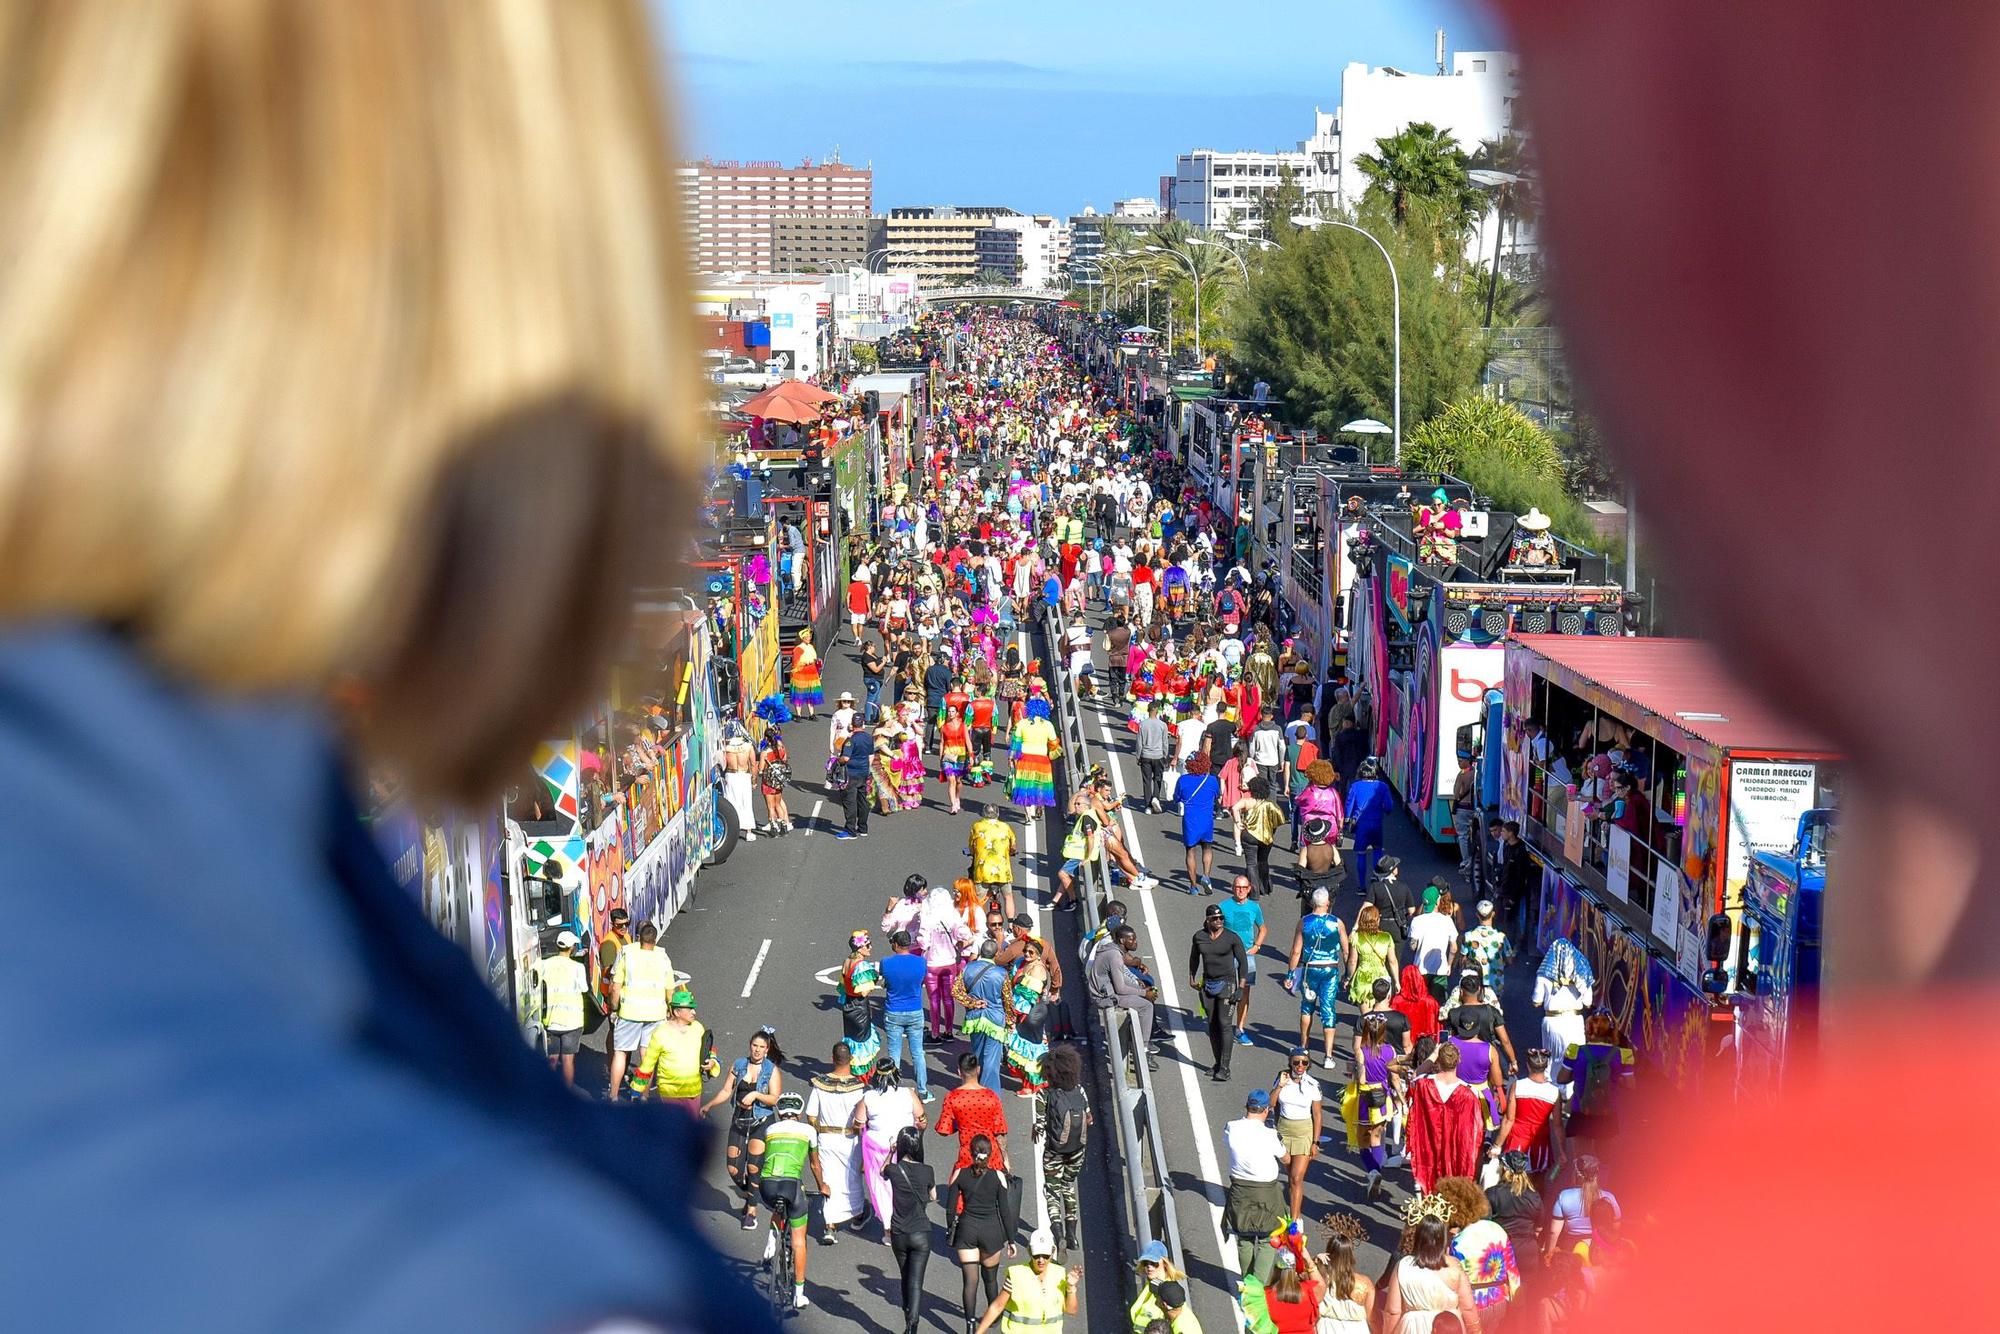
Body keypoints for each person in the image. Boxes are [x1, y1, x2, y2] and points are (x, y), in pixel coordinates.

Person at [702, 1028, 785, 1231]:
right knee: (734, 1169)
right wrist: (709, 1105)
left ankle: (751, 1211)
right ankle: (752, 1193)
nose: (757, 1050)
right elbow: (726, 1090)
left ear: (767, 1049)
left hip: (761, 1121)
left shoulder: (771, 1070)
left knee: (753, 1168)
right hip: (740, 1120)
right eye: (754, 1046)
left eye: (761, 1047)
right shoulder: (739, 1065)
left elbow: (775, 1099)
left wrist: (756, 1095)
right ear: (750, 1046)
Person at [950, 1135, 1023, 1327]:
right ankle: (994, 1317)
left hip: (967, 1229)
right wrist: (1011, 1240)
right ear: (990, 1154)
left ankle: (970, 1323)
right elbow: (1006, 1211)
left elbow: (951, 1209)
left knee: (970, 1281)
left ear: (971, 1153)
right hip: (991, 1231)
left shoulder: (960, 1174)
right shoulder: (998, 1176)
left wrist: (951, 1229)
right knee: (990, 1279)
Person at [1383, 1199, 1484, 1334]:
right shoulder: (1454, 1266)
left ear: (1418, 1236)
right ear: (1442, 1237)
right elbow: (1468, 1308)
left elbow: (1392, 1312)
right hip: (1449, 1327)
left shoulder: (1403, 1266)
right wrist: (1476, 1330)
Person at [1223, 1089, 1291, 1284]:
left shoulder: (1231, 1127)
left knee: (1243, 1237)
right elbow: (1285, 1158)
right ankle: (1258, 1286)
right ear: (1266, 1110)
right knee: (1267, 1237)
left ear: (1247, 1107)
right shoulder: (1271, 1134)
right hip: (1266, 1192)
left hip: (1240, 1190)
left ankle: (1247, 1280)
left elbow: (1228, 1142)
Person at [804, 1041, 868, 1243]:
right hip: (851, 1139)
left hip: (826, 1137)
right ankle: (857, 1215)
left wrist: (818, 1132)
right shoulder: (859, 1089)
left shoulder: (820, 1085)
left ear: (832, 1059)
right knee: (851, 1178)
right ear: (851, 1059)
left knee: (828, 1178)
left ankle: (829, 1226)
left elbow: (811, 1115)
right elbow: (864, 1118)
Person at [1437, 1175, 1519, 1330]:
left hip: (1474, 1305)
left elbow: (1453, 1279)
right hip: (1500, 1299)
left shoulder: (1458, 1242)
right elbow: (1512, 1270)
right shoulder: (1496, 1229)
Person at [856, 1058, 928, 1231]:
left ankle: (888, 1228)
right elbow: (922, 1121)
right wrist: (918, 1138)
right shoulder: (908, 1093)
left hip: (876, 1149)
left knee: (881, 1185)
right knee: (906, 1183)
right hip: (905, 1146)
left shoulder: (868, 1097)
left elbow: (859, 1123)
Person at [1036, 1043, 1091, 1258]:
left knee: (1052, 1190)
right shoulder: (1080, 1090)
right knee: (1068, 1186)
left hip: (1054, 1150)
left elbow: (1040, 1125)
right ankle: (1072, 1236)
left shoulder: (1044, 1095)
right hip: (1077, 1149)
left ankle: (1057, 1231)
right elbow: (1089, 1118)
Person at [605, 921, 673, 1100]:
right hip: (655, 1014)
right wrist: (670, 1009)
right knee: (647, 1057)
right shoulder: (663, 957)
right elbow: (669, 989)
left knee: (620, 1053)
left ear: (639, 938)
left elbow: (615, 986)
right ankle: (644, 1097)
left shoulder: (627, 954)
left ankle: (613, 1096)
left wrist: (614, 1007)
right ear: (655, 940)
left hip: (629, 1012)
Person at [1284, 886, 1348, 1068]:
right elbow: (1346, 950)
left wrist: (1290, 973)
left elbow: (1296, 950)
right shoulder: (1337, 923)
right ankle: (1328, 1056)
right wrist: (1348, 973)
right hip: (1330, 969)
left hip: (1310, 969)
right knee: (1329, 1009)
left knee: (1307, 1006)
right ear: (1328, 903)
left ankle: (1303, 1046)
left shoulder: (1304, 922)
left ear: (1313, 902)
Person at [1408, 1044, 1485, 1195]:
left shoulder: (1422, 1085)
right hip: (1455, 1153)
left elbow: (1414, 1075)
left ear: (1438, 1061)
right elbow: (1475, 1132)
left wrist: (1433, 1055)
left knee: (1429, 1193)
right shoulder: (1470, 1093)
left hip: (1427, 1148)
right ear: (1459, 1060)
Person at [881, 1124, 937, 1334]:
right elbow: (933, 1197)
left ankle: (907, 1314)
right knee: (916, 1280)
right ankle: (912, 1324)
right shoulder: (927, 1170)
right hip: (921, 1232)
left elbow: (881, 1171)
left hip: (899, 1233)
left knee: (906, 1276)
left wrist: (891, 1152)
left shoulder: (894, 1171)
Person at [627, 988, 718, 1115]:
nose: (694, 1012)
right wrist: (636, 1090)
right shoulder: (661, 1033)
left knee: (690, 1130)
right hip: (669, 1091)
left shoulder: (698, 1027)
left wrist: (713, 1061)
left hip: (693, 1090)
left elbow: (709, 1050)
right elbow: (648, 1063)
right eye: (690, 1009)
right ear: (677, 1012)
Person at [974, 1226, 1079, 1334]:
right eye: (1036, 1255)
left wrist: (1071, 1287)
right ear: (1029, 1252)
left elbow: (1071, 1310)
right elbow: (997, 1306)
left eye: (1045, 1256)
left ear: (1052, 1253)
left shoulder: (1059, 1274)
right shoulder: (1016, 1274)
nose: (1041, 1260)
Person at [1189, 902, 1250, 1080]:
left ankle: (1225, 1067)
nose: (1219, 921)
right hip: (1208, 984)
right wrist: (1192, 977)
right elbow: (1194, 958)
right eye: (1215, 918)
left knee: (1224, 1024)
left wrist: (1240, 987)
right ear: (1207, 920)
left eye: (1221, 918)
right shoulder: (1199, 937)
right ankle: (1217, 1063)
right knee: (1212, 1024)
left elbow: (1243, 963)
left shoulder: (1232, 938)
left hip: (1227, 984)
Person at [1088, 923, 1160, 1071]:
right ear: (1122, 941)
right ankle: (1143, 1050)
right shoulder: (1114, 955)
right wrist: (1144, 993)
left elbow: (1121, 976)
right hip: (1105, 997)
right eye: (1131, 939)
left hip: (1108, 991)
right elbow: (1120, 988)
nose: (1135, 942)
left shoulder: (1113, 952)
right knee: (1146, 1006)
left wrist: (1137, 985)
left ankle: (1136, 1042)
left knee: (1142, 996)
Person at [1484, 1152, 1545, 1316]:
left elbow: (1484, 1223)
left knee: (1499, 1300)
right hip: (1528, 1252)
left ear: (1505, 1169)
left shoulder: (1492, 1194)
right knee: (1522, 1301)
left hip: (1502, 1251)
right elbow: (1540, 1227)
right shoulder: (1534, 1196)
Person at [1353, 1011, 1402, 1202]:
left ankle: (1373, 1171)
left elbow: (1362, 1078)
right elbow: (1395, 1078)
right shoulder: (1390, 1051)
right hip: (1384, 1098)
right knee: (1378, 1135)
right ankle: (1376, 1170)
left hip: (1366, 1098)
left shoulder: (1361, 1052)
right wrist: (1402, 1099)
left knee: (1363, 1139)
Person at [1271, 1050, 1324, 1223]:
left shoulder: (1313, 1085)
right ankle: (1292, 1207)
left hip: (1304, 1132)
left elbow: (1317, 1115)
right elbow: (1271, 1104)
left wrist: (1315, 1142)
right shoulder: (1282, 1079)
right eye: (1296, 1062)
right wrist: (1279, 1086)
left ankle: (1295, 1221)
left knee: (1296, 1177)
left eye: (1304, 1063)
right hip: (1284, 1130)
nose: (1300, 1066)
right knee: (1289, 1176)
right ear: (1290, 1062)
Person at [530, 931, 589, 1085]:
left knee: (552, 1059)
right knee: (568, 1061)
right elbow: (584, 989)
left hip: (551, 1019)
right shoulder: (578, 967)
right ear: (571, 948)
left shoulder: (545, 963)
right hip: (572, 1021)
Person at [881, 929, 933, 1102]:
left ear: (896, 944)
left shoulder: (886, 963)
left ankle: (891, 1088)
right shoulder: (920, 963)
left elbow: (885, 980)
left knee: (894, 1052)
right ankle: (923, 1090)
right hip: (915, 1010)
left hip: (893, 1011)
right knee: (918, 1052)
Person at [1218, 875, 1269, 1046]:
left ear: (1249, 889)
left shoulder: (1254, 907)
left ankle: (1239, 1028)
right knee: (1224, 991)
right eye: (1237, 887)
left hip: (1247, 955)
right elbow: (1214, 929)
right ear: (1233, 888)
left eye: (1244, 887)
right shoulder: (1223, 906)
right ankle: (1223, 1025)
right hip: (1227, 954)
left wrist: (1257, 946)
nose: (1240, 890)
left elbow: (1262, 928)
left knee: (1244, 992)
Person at [1545, 1156, 1620, 1269]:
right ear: (1597, 1174)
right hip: (1601, 1247)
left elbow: (1554, 1232)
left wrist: (1550, 1254)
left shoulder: (1564, 1196)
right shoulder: (1609, 1197)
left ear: (1575, 1173)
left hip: (1571, 1247)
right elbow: (1615, 1227)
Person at [1532, 943, 1594, 1078]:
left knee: (1550, 1061)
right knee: (1574, 1060)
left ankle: (1552, 1093)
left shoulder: (1544, 974)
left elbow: (1536, 1002)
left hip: (1551, 1022)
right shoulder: (1582, 974)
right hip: (1574, 1022)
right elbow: (1588, 1003)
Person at [959, 938, 1013, 1092]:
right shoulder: (1001, 973)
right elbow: (1007, 1000)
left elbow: (956, 992)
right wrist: (1010, 1021)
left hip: (974, 1019)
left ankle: (977, 1089)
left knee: (978, 1057)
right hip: (995, 1021)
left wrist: (973, 1003)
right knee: (991, 1062)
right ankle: (991, 1096)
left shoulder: (967, 969)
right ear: (996, 954)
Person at [1316, 1213, 1378, 1334]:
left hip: (1326, 1329)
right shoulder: (1365, 1283)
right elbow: (1372, 1318)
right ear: (1350, 1255)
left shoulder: (1320, 1278)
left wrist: (1315, 1260)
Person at [1173, 750, 1224, 894]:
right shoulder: (1211, 780)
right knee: (1207, 848)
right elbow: (1217, 795)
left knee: (1190, 851)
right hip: (1207, 819)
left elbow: (1176, 798)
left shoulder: (1183, 780)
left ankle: (1193, 886)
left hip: (1190, 820)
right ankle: (1206, 876)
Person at [840, 930, 889, 1073]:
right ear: (859, 948)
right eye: (867, 945)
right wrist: (873, 979)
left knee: (852, 1040)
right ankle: (861, 1074)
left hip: (848, 1005)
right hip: (860, 1008)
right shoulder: (861, 965)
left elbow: (843, 986)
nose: (870, 947)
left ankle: (851, 1070)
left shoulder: (847, 961)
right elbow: (863, 991)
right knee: (862, 1042)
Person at [967, 801, 1020, 923]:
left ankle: (982, 923)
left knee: (979, 899)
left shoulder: (977, 826)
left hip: (983, 869)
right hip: (1002, 869)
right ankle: (1011, 923)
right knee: (1008, 896)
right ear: (998, 814)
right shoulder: (1005, 827)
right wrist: (1011, 852)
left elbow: (971, 846)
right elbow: (1013, 846)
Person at [1408, 884, 1461, 1004]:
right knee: (1437, 1004)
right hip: (1440, 969)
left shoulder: (1417, 921)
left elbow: (1413, 946)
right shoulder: (1447, 920)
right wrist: (1449, 964)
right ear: (1437, 901)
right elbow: (1453, 948)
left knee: (1420, 1002)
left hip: (1420, 969)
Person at [1235, 775, 1287, 899]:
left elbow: (1234, 807)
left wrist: (1238, 822)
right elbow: (1280, 820)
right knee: (1263, 861)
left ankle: (1254, 892)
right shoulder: (1270, 804)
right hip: (1266, 837)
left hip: (1249, 836)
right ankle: (1265, 887)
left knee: (1251, 863)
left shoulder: (1248, 801)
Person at [1346, 759, 1394, 886]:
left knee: (1361, 854)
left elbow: (1349, 804)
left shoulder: (1355, 786)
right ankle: (1376, 879)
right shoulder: (1382, 786)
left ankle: (1361, 886)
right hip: (1376, 824)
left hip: (1361, 825)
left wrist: (1346, 819)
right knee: (1377, 851)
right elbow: (1389, 806)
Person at [1459, 901, 1514, 1005]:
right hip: (1495, 983)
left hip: (1474, 984)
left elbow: (1463, 960)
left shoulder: (1468, 936)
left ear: (1477, 915)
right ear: (1493, 914)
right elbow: (1510, 960)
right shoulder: (1501, 937)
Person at [837, 720, 877, 839]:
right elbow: (871, 755)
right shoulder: (869, 737)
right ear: (863, 725)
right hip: (864, 772)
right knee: (862, 801)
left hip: (851, 774)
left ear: (852, 725)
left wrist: (836, 761)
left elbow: (845, 758)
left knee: (850, 802)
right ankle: (863, 828)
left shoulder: (851, 740)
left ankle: (850, 830)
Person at [1134, 699, 1173, 813]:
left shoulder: (1143, 724)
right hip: (1158, 755)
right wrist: (1165, 755)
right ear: (1157, 711)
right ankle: (1156, 797)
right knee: (1158, 778)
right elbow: (1165, 742)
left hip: (1145, 755)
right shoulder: (1162, 725)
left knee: (1146, 780)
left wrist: (1138, 756)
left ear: (1148, 711)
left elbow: (1139, 742)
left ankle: (1147, 806)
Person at [757, 726, 794, 835]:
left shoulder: (765, 753)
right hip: (778, 781)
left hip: (768, 781)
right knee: (778, 804)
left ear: (766, 738)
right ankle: (783, 824)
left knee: (770, 806)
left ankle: (773, 826)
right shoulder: (781, 748)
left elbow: (761, 769)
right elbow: (784, 759)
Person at [1392, 964, 1442, 1046]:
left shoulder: (1397, 1002)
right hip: (1427, 1048)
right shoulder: (1431, 1002)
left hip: (1404, 1048)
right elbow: (1438, 1029)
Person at [790, 626, 823, 718]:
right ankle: (799, 714)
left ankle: (812, 713)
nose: (809, 638)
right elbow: (795, 662)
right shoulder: (798, 649)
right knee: (799, 694)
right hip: (801, 675)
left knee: (811, 694)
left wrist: (817, 663)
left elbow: (814, 658)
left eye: (809, 637)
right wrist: (804, 662)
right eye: (807, 637)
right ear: (803, 638)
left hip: (812, 673)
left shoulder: (811, 647)